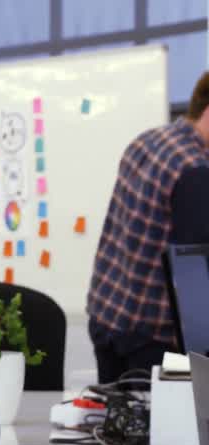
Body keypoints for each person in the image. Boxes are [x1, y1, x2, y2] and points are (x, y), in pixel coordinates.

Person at [87, 71, 209, 384]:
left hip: (106, 317)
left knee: (116, 427)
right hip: (151, 339)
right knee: (157, 432)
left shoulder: (146, 140)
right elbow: (194, 272)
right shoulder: (194, 169)